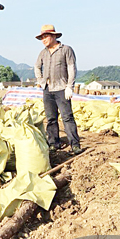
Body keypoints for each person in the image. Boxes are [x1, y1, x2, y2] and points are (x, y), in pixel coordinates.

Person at [34, 24, 82, 155]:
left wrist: (69, 86)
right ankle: (54, 143)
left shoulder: (65, 50)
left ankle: (75, 145)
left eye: (46, 37)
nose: (44, 40)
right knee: (51, 118)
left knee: (67, 117)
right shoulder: (43, 53)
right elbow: (37, 67)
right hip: (48, 89)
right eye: (42, 38)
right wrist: (41, 80)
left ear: (54, 36)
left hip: (62, 89)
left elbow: (72, 68)